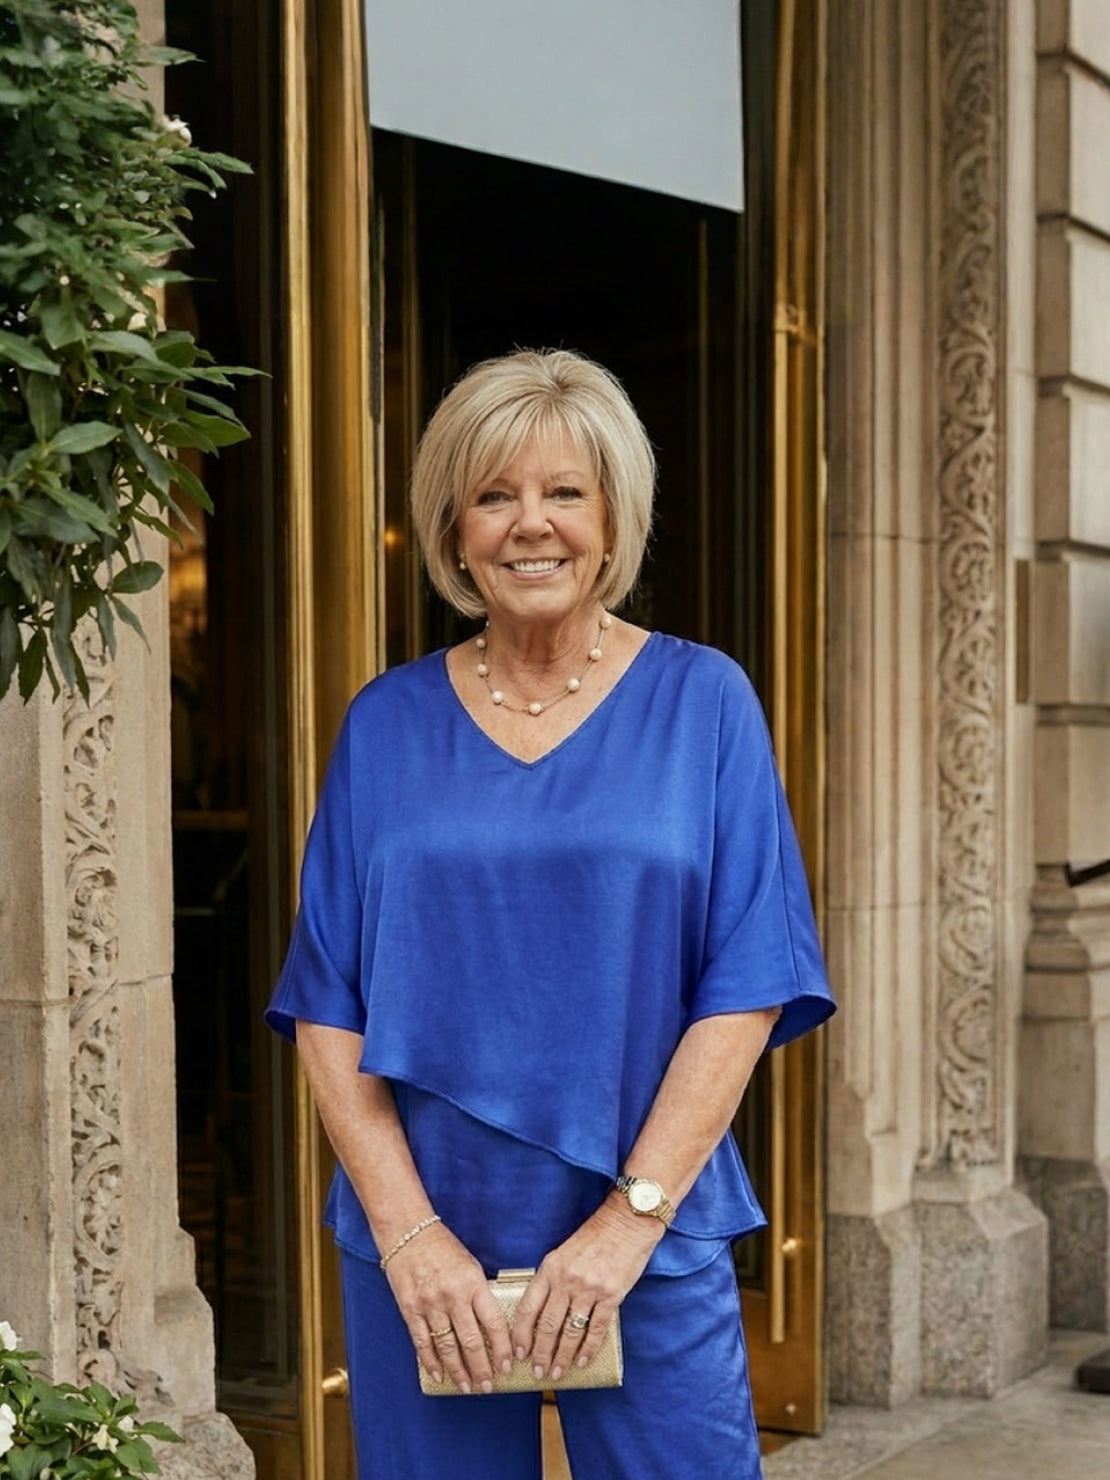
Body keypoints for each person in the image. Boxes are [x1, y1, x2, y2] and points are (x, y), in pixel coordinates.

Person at [265, 348, 835, 1479]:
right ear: (455, 526)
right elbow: (326, 1000)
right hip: (425, 1245)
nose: (532, 525)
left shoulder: (705, 700)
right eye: (495, 494)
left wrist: (628, 1224)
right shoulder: (383, 724)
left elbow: (750, 978)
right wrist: (412, 1236)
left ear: (614, 518)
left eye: (565, 492)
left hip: (650, 1229)